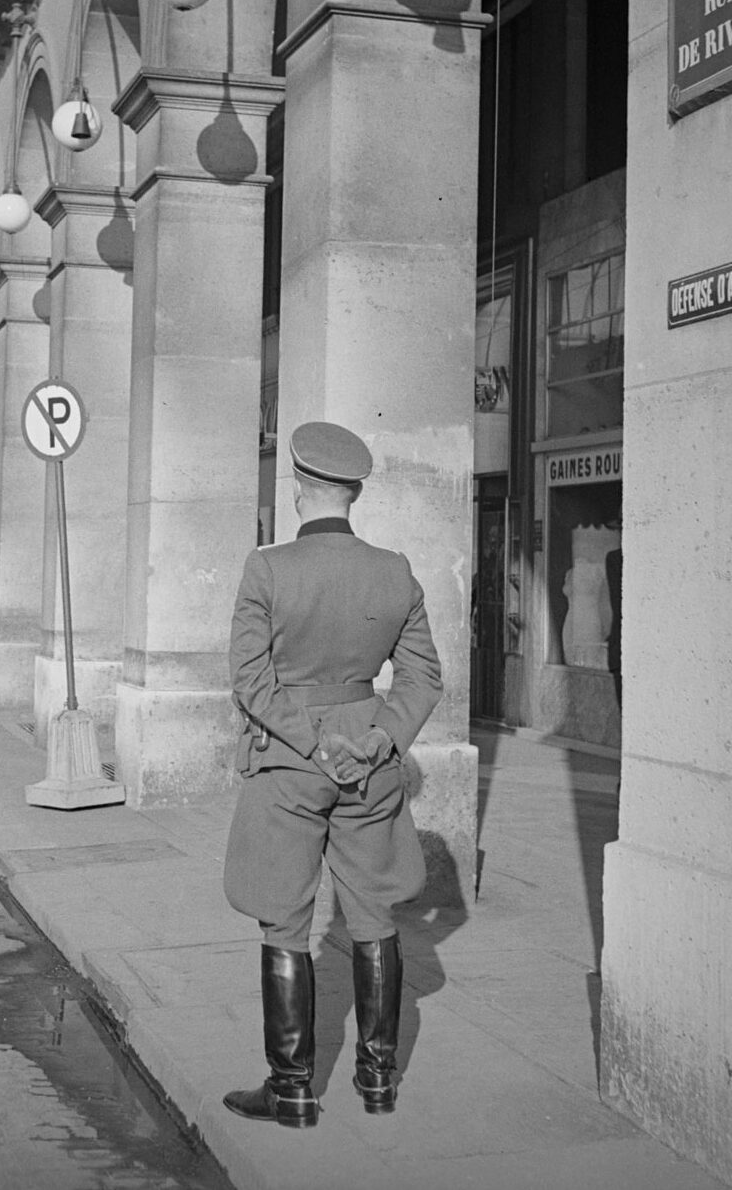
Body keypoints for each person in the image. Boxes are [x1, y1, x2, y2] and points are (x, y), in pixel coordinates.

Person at [222, 421, 444, 1129]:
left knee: (286, 919)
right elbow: (423, 675)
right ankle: (378, 1080)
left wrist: (314, 745)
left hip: (291, 759)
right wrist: (378, 740)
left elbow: (251, 682)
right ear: (352, 493)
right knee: (375, 911)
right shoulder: (394, 570)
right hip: (368, 757)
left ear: (297, 491)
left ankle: (291, 1089)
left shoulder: (268, 568)